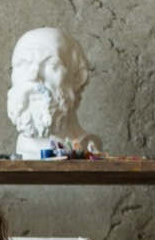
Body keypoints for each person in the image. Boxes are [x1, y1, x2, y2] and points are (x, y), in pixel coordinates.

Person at [6, 27, 103, 158]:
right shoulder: (22, 147)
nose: (33, 76)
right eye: (23, 64)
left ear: (78, 77)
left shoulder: (87, 145)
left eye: (51, 65)